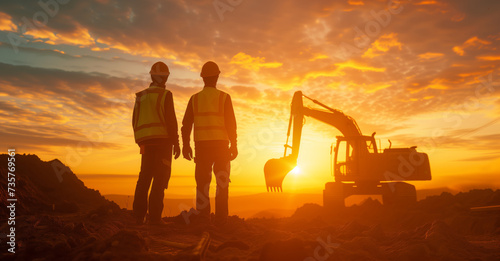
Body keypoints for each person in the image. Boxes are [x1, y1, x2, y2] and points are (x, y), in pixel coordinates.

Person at [181, 61, 237, 225]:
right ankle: (221, 219)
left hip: (202, 146)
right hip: (221, 146)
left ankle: (204, 217)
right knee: (222, 183)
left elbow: (186, 125)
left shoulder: (195, 99)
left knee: (202, 183)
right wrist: (234, 144)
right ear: (217, 77)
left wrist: (186, 145)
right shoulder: (224, 98)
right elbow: (231, 124)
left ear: (203, 78)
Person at [132, 61, 180, 225]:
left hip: (145, 143)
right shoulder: (166, 95)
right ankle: (154, 219)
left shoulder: (141, 96)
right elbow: (171, 121)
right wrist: (177, 143)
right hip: (163, 143)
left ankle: (138, 217)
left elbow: (135, 120)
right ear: (165, 78)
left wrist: (140, 140)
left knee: (144, 178)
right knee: (160, 180)